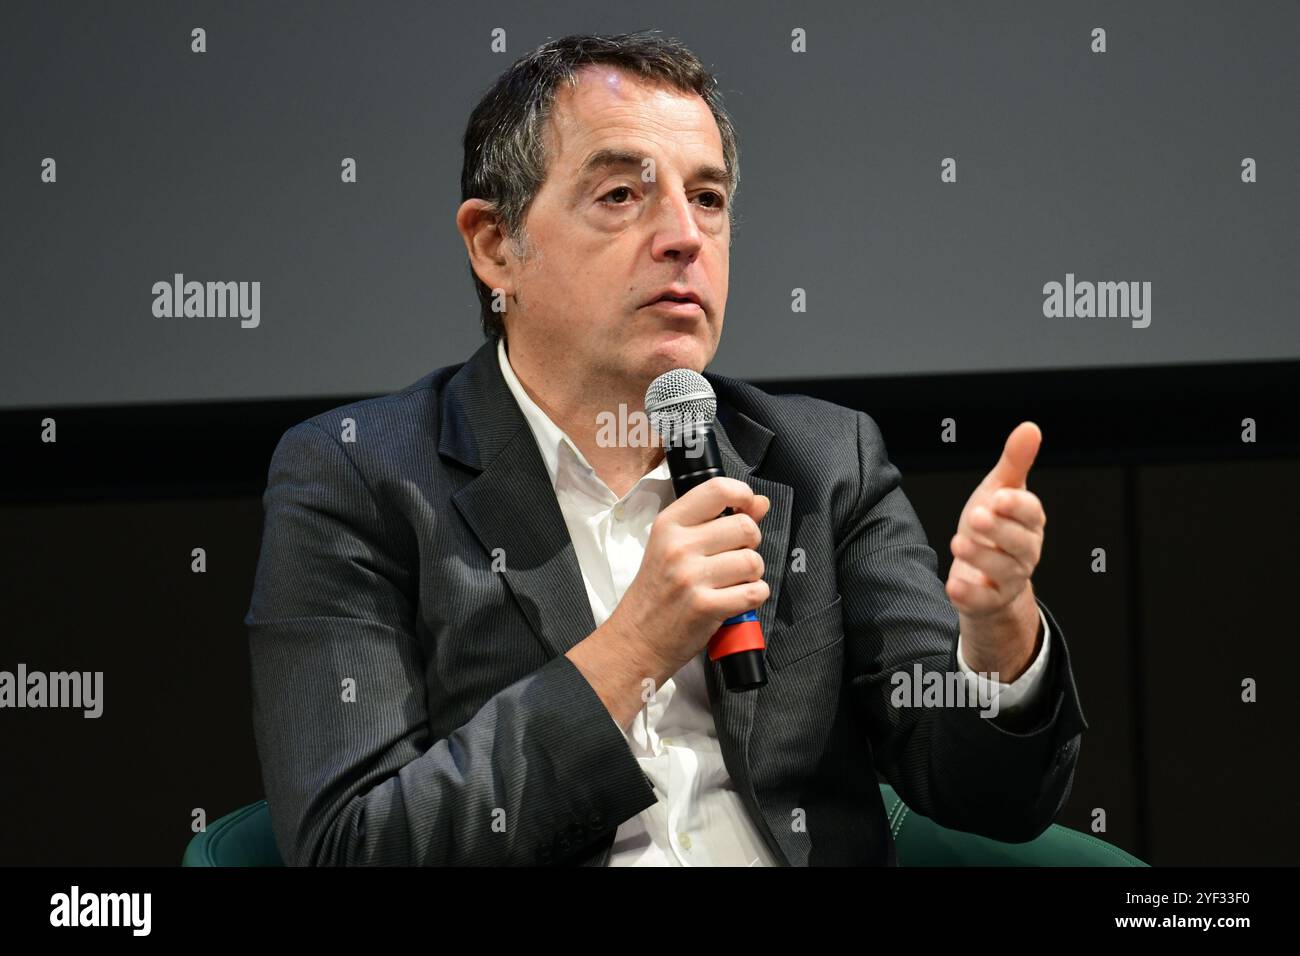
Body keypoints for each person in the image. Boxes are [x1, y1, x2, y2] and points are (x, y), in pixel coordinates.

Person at [245, 30, 1086, 866]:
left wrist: (997, 644)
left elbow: (988, 798)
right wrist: (634, 649)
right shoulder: (359, 476)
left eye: (709, 199)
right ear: (496, 246)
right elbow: (353, 849)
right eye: (621, 195)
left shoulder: (825, 459)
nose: (685, 236)